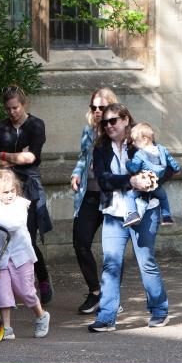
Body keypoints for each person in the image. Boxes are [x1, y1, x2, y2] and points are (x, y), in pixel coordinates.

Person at [88, 103, 171, 332]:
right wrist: (130, 181)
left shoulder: (141, 140)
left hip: (145, 211)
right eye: (104, 123)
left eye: (113, 121)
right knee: (110, 264)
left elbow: (166, 167)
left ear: (125, 119)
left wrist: (150, 179)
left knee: (146, 262)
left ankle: (159, 310)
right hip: (114, 213)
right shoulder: (101, 147)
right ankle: (106, 317)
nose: (108, 126)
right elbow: (104, 180)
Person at [0, 85, 54, 304]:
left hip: (28, 189)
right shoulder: (0, 128)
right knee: (5, 236)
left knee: (27, 237)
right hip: (5, 188)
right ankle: (12, 286)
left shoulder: (36, 125)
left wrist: (4, 155)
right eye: (8, 109)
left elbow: (31, 158)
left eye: (15, 107)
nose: (12, 112)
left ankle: (42, 278)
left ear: (23, 104)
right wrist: (16, 157)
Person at [0, 170, 50, 339]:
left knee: (25, 291)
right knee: (3, 290)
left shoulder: (21, 205)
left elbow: (13, 225)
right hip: (3, 258)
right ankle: (6, 327)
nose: (10, 195)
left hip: (22, 256)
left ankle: (41, 315)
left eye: (12, 190)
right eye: (5, 192)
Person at [70, 87, 118, 314]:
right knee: (80, 242)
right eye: (93, 107)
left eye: (102, 107)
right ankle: (95, 292)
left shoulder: (117, 131)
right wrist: (76, 173)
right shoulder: (89, 130)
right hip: (89, 194)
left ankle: (112, 298)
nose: (97, 111)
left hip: (111, 197)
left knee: (112, 251)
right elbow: (82, 157)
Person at [123, 122, 181, 228]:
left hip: (143, 184)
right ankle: (167, 217)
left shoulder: (139, 154)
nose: (134, 144)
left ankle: (132, 214)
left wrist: (127, 162)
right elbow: (171, 161)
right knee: (163, 197)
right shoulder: (162, 149)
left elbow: (134, 168)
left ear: (145, 139)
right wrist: (177, 169)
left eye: (135, 141)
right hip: (156, 184)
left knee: (129, 195)